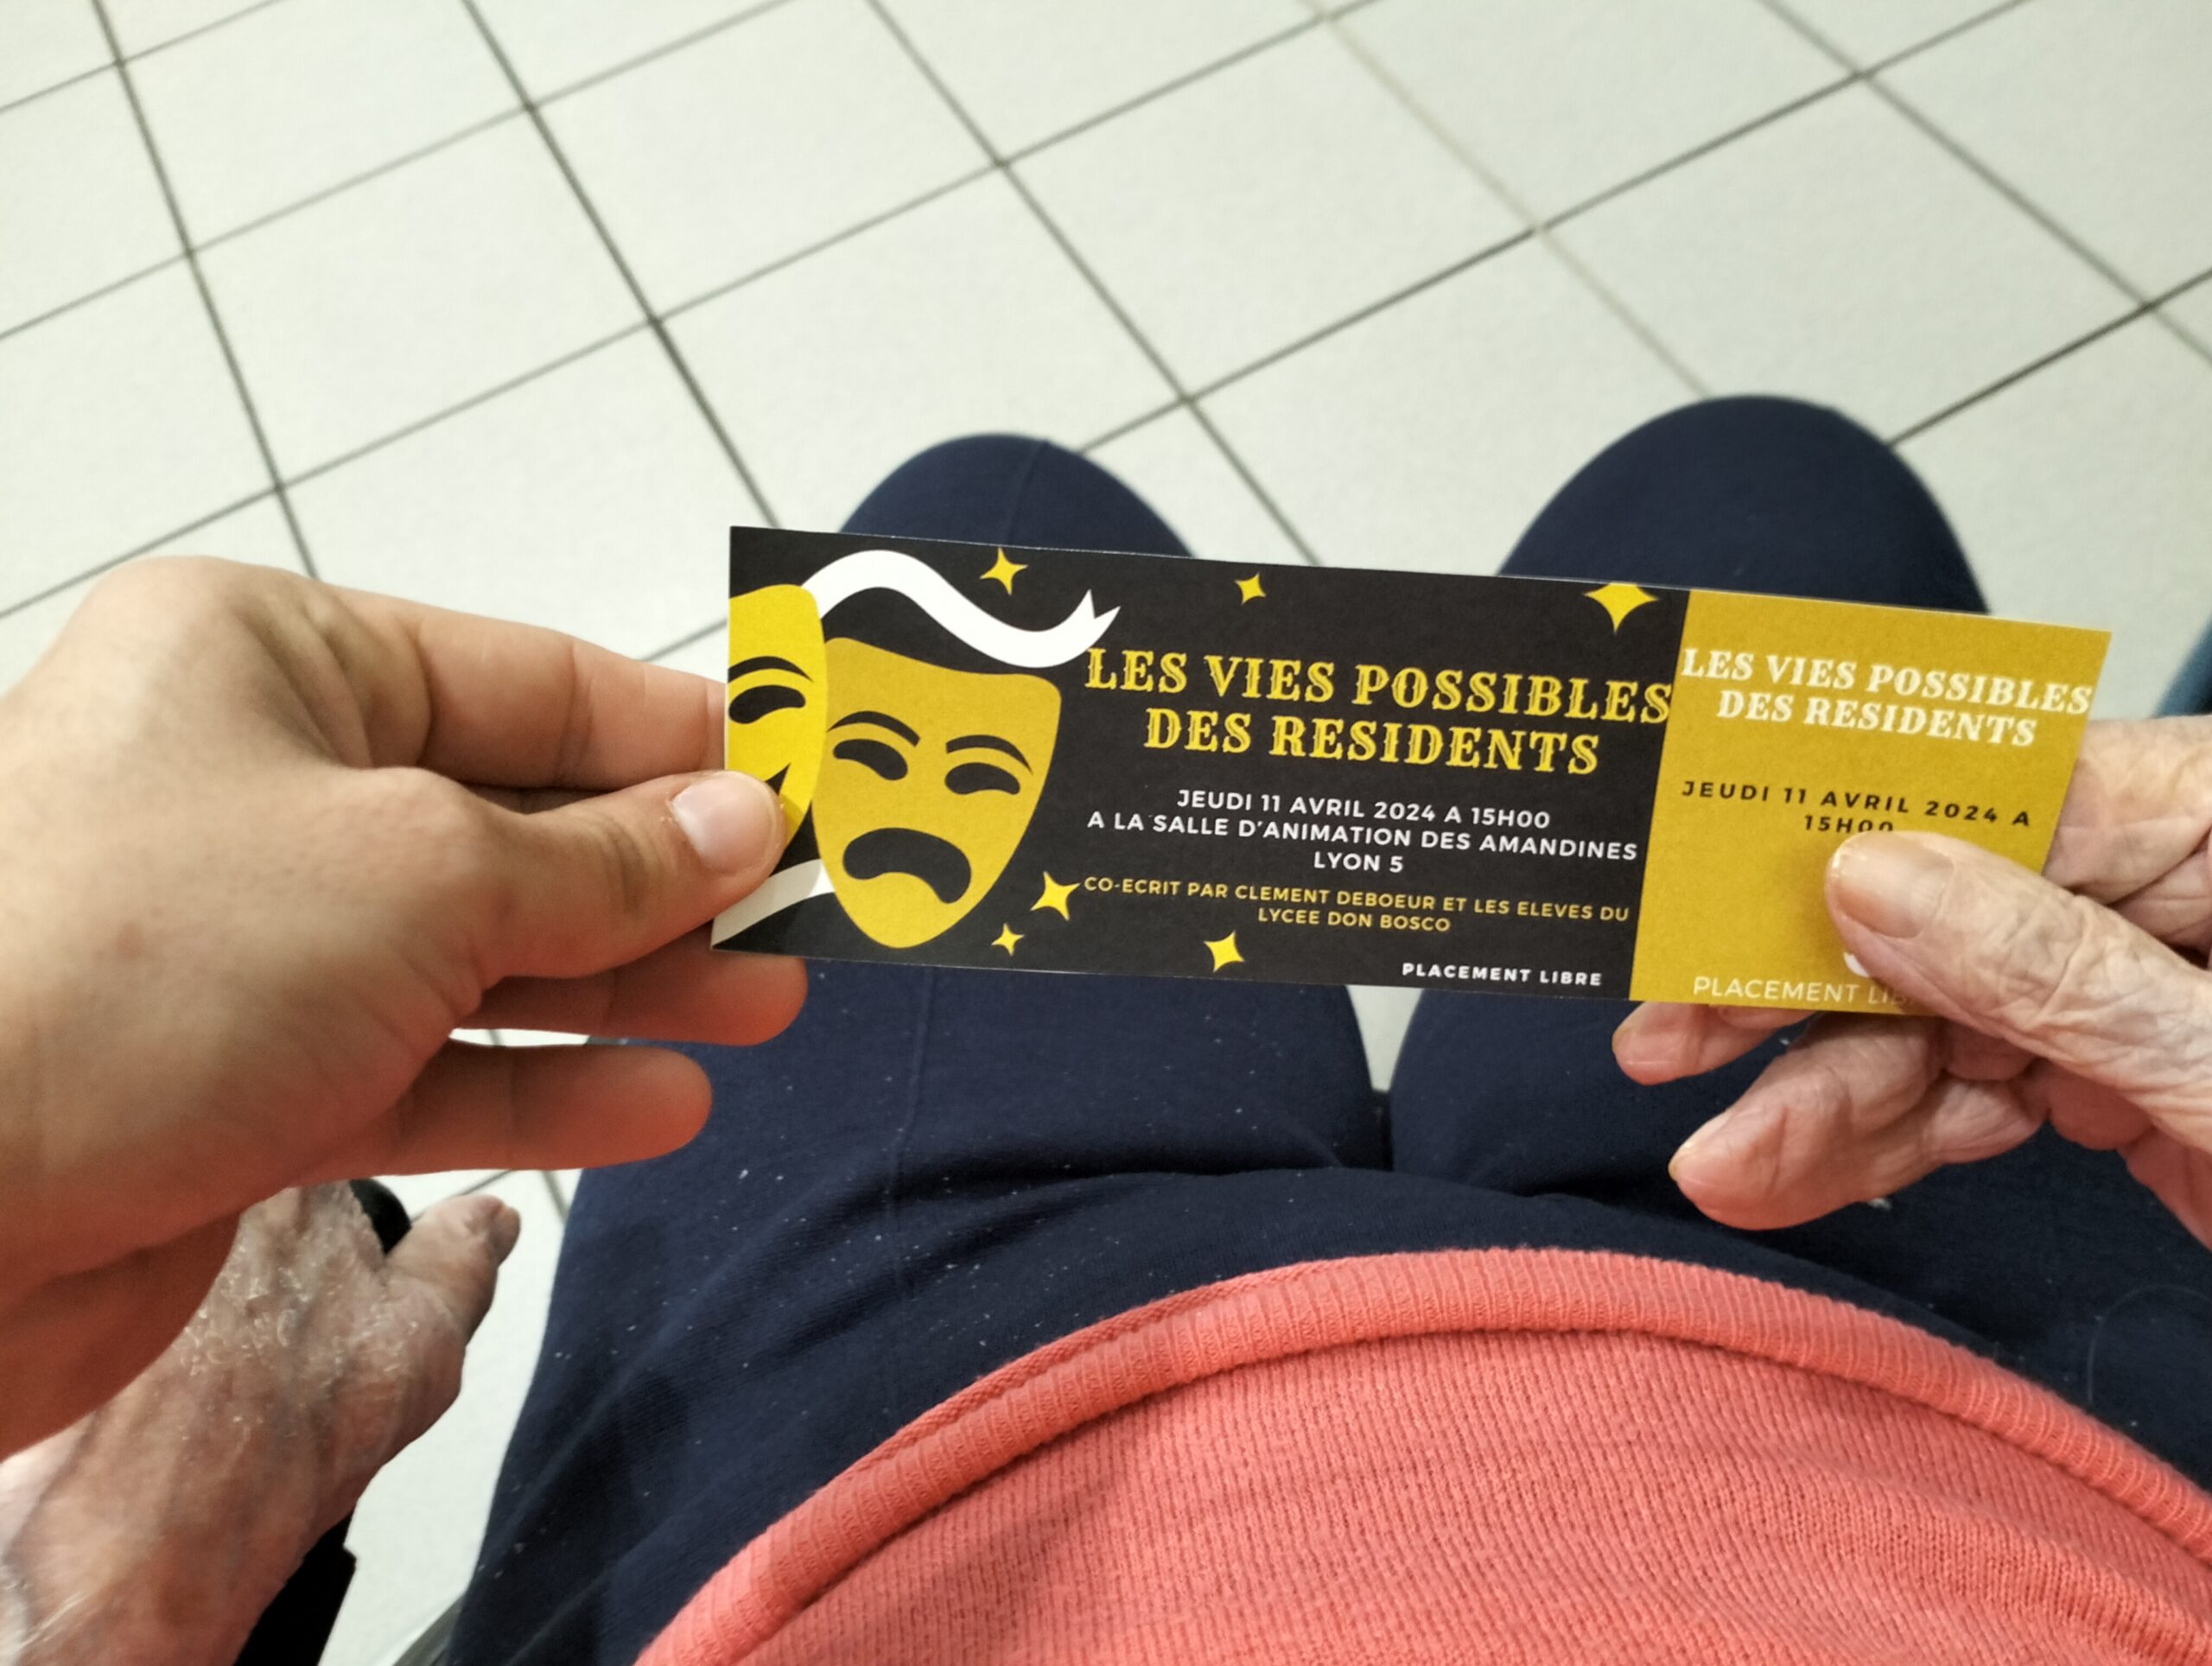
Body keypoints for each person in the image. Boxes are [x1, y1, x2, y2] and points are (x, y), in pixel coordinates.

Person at [1, 403, 2209, 1664]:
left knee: (986, 516)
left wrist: (116, 1614)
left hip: (867, 1438)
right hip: (2040, 1421)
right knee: (1760, 483)